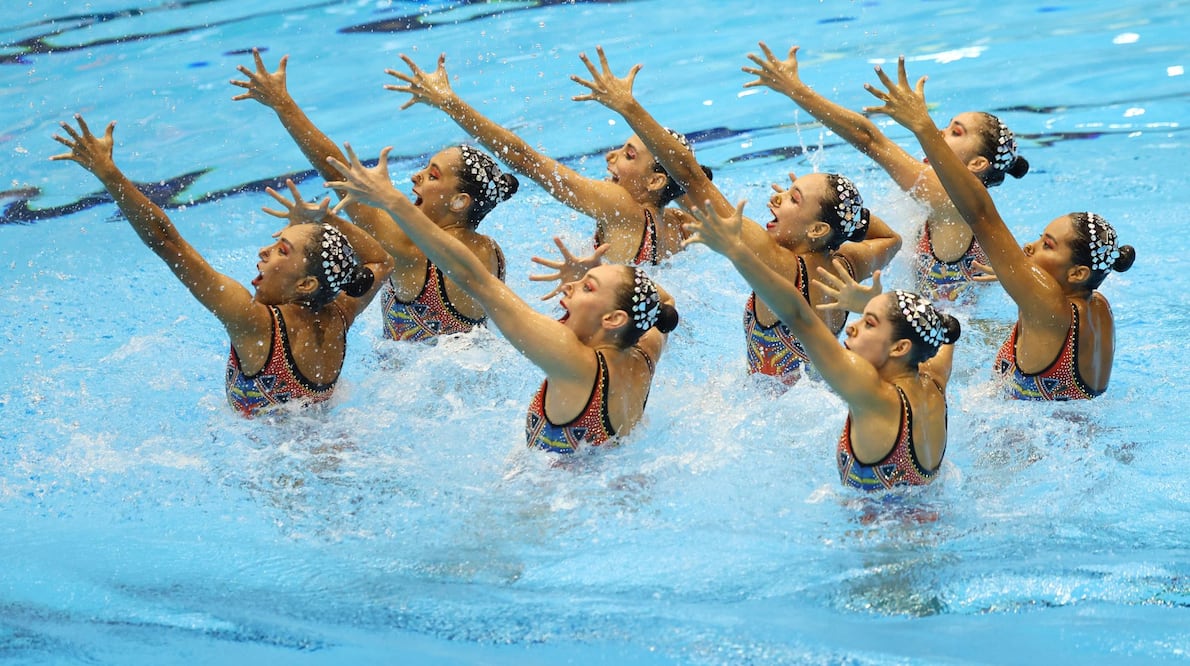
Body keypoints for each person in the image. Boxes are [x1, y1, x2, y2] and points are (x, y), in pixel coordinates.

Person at [572, 46, 902, 385]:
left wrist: (629, 106)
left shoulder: (778, 263)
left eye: (793, 198)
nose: (776, 198)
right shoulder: (847, 263)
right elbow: (892, 239)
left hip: (769, 412)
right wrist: (843, 216)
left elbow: (691, 176)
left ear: (817, 229)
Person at [325, 143, 680, 453]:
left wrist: (393, 201)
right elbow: (665, 304)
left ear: (614, 319)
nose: (569, 288)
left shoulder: (573, 362)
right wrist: (600, 272)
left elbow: (474, 279)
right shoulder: (645, 349)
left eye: (586, 288)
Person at [50, 116, 393, 417]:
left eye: (281, 250)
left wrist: (109, 174)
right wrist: (330, 218)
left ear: (305, 285)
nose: (264, 250)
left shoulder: (255, 325)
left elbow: (168, 243)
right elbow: (381, 260)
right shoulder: (339, 315)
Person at [865, 57, 1135, 400]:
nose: (1029, 246)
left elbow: (980, 212)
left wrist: (923, 127)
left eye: (1048, 245)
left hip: (1027, 445)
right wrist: (1023, 273)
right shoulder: (1098, 306)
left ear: (1080, 271)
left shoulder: (1048, 306)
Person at [231, 49, 515, 343]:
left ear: (460, 202)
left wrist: (284, 105)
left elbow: (339, 174)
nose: (415, 176)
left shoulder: (413, 254)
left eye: (433, 175)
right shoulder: (493, 252)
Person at [684, 200, 960, 492]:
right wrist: (871, 305)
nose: (851, 326)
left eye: (869, 323)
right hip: (927, 521)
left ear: (900, 347)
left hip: (878, 535)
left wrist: (735, 251)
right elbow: (949, 328)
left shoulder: (872, 395)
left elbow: (798, 316)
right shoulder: (934, 376)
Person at [743, 43, 1030, 304]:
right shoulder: (963, 210)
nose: (940, 133)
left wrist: (794, 88)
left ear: (978, 164)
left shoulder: (949, 201)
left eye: (955, 132)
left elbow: (870, 140)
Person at [383, 52, 711, 266]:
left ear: (655, 181)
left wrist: (450, 103)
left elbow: (527, 160)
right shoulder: (678, 226)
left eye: (628, 155)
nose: (610, 156)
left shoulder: (622, 206)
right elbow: (692, 179)